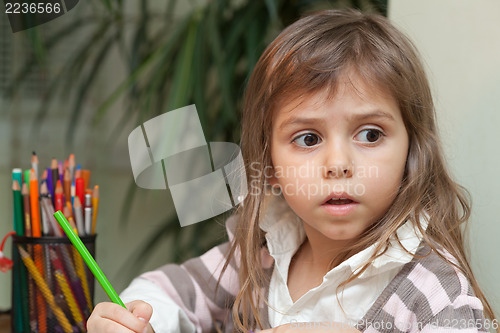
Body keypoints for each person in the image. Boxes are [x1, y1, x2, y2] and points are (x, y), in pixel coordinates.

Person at [87, 9, 498, 333]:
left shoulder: (431, 289)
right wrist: (137, 319)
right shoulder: (262, 254)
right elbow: (166, 291)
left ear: (412, 150)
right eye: (308, 138)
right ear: (269, 163)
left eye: (370, 135)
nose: (338, 165)